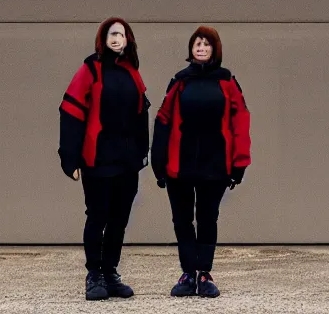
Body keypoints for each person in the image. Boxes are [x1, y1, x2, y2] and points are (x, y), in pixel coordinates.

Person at [151, 26, 251, 298]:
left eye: (206, 44)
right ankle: (187, 274)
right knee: (182, 221)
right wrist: (157, 163)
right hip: (179, 167)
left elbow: (241, 121)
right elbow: (162, 120)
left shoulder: (228, 81)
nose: (201, 47)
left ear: (214, 49)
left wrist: (239, 163)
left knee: (208, 219)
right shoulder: (180, 81)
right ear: (191, 49)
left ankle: (205, 274)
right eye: (197, 43)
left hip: (215, 166)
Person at [58, 17, 150, 301]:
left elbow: (141, 113)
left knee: (119, 219)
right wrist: (69, 158)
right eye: (111, 34)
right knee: (97, 216)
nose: (116, 38)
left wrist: (142, 152)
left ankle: (110, 272)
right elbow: (70, 111)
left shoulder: (132, 72)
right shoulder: (90, 69)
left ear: (127, 40)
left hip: (126, 161)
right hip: (97, 158)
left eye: (121, 34)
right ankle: (94, 274)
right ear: (103, 38)